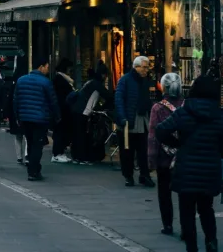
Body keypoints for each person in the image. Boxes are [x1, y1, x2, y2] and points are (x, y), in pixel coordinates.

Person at [156, 75, 223, 252]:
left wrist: (178, 144)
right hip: (210, 168)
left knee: (187, 212)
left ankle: (192, 247)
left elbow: (161, 130)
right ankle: (211, 242)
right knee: (206, 208)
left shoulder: (184, 112)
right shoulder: (219, 115)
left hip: (186, 168)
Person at [148, 72, 184, 237]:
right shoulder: (186, 105)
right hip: (183, 156)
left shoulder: (158, 108)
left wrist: (152, 159)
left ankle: (167, 225)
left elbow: (153, 136)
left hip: (164, 157)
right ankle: (186, 227)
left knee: (164, 193)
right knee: (185, 195)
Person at [13, 58, 60, 181]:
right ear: (41, 67)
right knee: (37, 146)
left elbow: (16, 100)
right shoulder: (46, 82)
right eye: (47, 67)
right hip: (40, 119)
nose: (47, 69)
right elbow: (53, 101)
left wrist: (17, 116)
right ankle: (33, 172)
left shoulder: (21, 80)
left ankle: (33, 169)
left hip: (25, 118)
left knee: (30, 143)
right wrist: (57, 116)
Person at [115, 56, 156, 187]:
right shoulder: (125, 80)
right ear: (136, 67)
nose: (146, 70)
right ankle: (128, 175)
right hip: (129, 119)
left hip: (143, 118)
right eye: (144, 67)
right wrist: (122, 117)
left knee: (144, 150)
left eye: (147, 67)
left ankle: (144, 175)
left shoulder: (147, 80)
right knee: (127, 150)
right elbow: (119, 99)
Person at [70, 63, 113, 163]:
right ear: (103, 75)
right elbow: (109, 96)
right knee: (82, 135)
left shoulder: (90, 82)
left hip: (77, 110)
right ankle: (82, 157)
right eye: (106, 76)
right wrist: (104, 107)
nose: (106, 78)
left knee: (77, 135)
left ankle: (76, 156)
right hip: (83, 112)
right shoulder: (97, 85)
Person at [51, 59, 76, 163]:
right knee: (59, 132)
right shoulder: (60, 79)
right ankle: (57, 153)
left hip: (62, 109)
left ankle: (60, 153)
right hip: (61, 110)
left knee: (61, 131)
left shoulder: (61, 78)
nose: (71, 71)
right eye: (70, 69)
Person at [3, 64, 27, 164]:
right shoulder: (26, 84)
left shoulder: (13, 85)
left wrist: (6, 114)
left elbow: (9, 101)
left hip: (15, 114)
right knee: (27, 137)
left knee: (18, 136)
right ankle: (27, 155)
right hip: (25, 113)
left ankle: (19, 157)